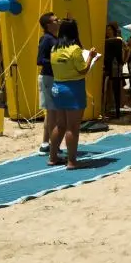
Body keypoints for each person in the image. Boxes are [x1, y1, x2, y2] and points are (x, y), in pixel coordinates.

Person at [48, 19, 99, 169]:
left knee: (60, 125)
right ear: (74, 32)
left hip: (57, 87)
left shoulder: (54, 48)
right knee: (73, 127)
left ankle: (53, 157)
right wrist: (91, 56)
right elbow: (82, 70)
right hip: (73, 88)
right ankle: (71, 161)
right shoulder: (75, 49)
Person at [36, 12, 60, 153]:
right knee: (52, 112)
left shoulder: (54, 38)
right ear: (48, 25)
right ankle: (52, 144)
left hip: (53, 77)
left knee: (51, 112)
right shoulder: (46, 39)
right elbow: (39, 60)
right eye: (56, 20)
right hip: (48, 78)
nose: (59, 21)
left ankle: (46, 143)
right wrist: (57, 62)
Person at [103, 23, 125, 119]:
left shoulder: (118, 40)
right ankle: (108, 106)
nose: (108, 31)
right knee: (107, 88)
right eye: (107, 29)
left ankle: (116, 108)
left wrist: (123, 61)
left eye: (110, 29)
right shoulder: (104, 41)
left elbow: (126, 49)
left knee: (115, 87)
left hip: (115, 67)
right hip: (106, 66)